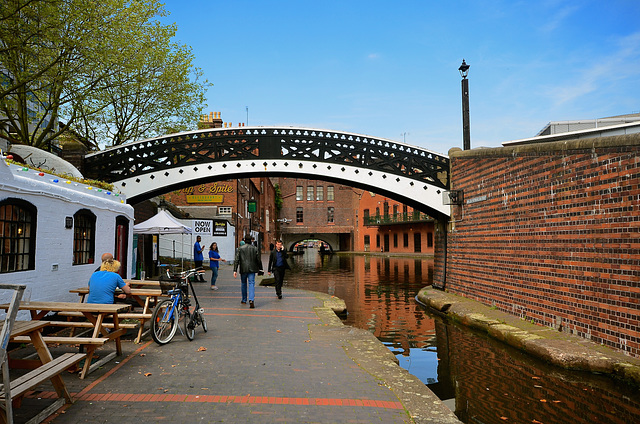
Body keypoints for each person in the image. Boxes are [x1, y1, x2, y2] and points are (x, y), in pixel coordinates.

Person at [233, 234, 263, 308]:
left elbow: (237, 259)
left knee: (243, 283)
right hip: (252, 269)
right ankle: (251, 299)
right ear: (251, 240)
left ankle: (244, 299)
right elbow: (258, 259)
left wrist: (235, 270)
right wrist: (260, 268)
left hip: (243, 268)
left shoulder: (240, 249)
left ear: (244, 240)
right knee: (251, 283)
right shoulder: (255, 248)